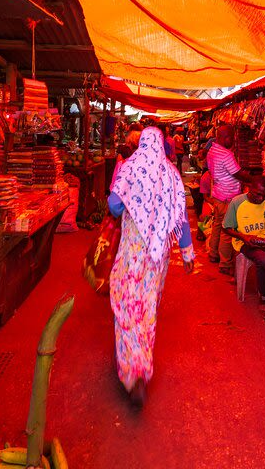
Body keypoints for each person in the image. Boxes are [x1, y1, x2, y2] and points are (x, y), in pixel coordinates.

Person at [108, 126, 195, 407]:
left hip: (132, 252)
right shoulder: (171, 174)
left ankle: (130, 370)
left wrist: (132, 199)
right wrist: (187, 253)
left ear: (140, 143)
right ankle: (141, 370)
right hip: (158, 258)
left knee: (125, 304)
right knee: (146, 309)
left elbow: (114, 207)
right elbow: (181, 217)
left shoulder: (130, 167)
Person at [223, 175, 265, 308]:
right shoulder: (236, 202)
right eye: (257, 194)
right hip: (246, 242)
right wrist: (244, 237)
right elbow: (226, 228)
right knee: (263, 260)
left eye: (264, 195)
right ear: (249, 188)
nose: (260, 199)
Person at [206, 124, 250, 274]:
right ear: (225, 137)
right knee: (227, 230)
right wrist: (254, 179)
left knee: (218, 225)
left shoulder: (212, 150)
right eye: (232, 137)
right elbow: (238, 174)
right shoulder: (225, 154)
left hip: (218, 195)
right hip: (227, 197)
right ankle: (225, 263)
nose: (233, 140)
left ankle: (213, 254)